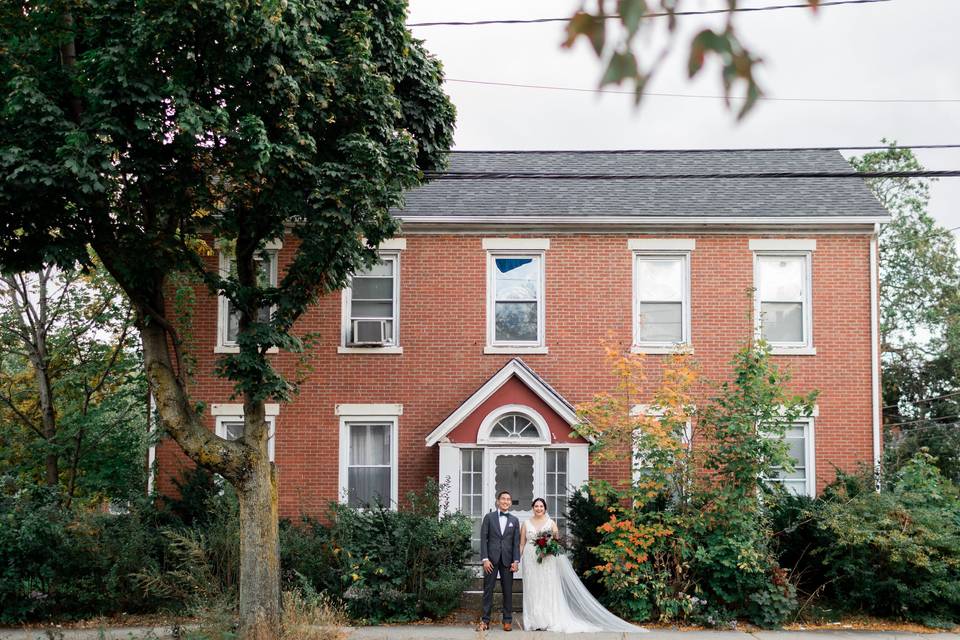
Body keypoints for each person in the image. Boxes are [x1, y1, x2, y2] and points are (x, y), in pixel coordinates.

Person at [520, 497, 647, 633]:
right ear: (532, 508)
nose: (539, 508)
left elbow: (556, 543)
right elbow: (522, 543)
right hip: (530, 560)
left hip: (547, 560)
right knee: (532, 588)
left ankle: (548, 620)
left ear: (545, 508)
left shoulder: (551, 523)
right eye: (536, 506)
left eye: (541, 506)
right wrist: (517, 559)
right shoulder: (526, 523)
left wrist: (547, 550)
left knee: (547, 588)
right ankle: (534, 621)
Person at [479, 490, 521, 631]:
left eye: (508, 499)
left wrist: (516, 561)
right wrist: (485, 559)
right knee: (488, 590)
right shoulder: (489, 517)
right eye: (503, 499)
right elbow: (483, 539)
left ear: (510, 502)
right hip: (491, 560)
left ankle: (507, 620)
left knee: (507, 591)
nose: (506, 501)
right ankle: (485, 620)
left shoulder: (514, 520)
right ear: (498, 501)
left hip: (508, 560)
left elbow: (516, 543)